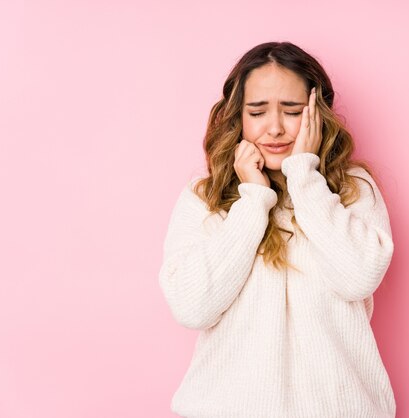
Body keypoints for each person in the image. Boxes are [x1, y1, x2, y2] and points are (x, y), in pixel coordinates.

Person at [158, 41, 396, 418]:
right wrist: (253, 199)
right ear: (239, 117)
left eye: (292, 111)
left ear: (317, 114)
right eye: (258, 111)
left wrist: (304, 175)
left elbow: (358, 278)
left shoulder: (353, 188)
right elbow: (192, 306)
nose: (275, 128)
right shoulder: (205, 197)